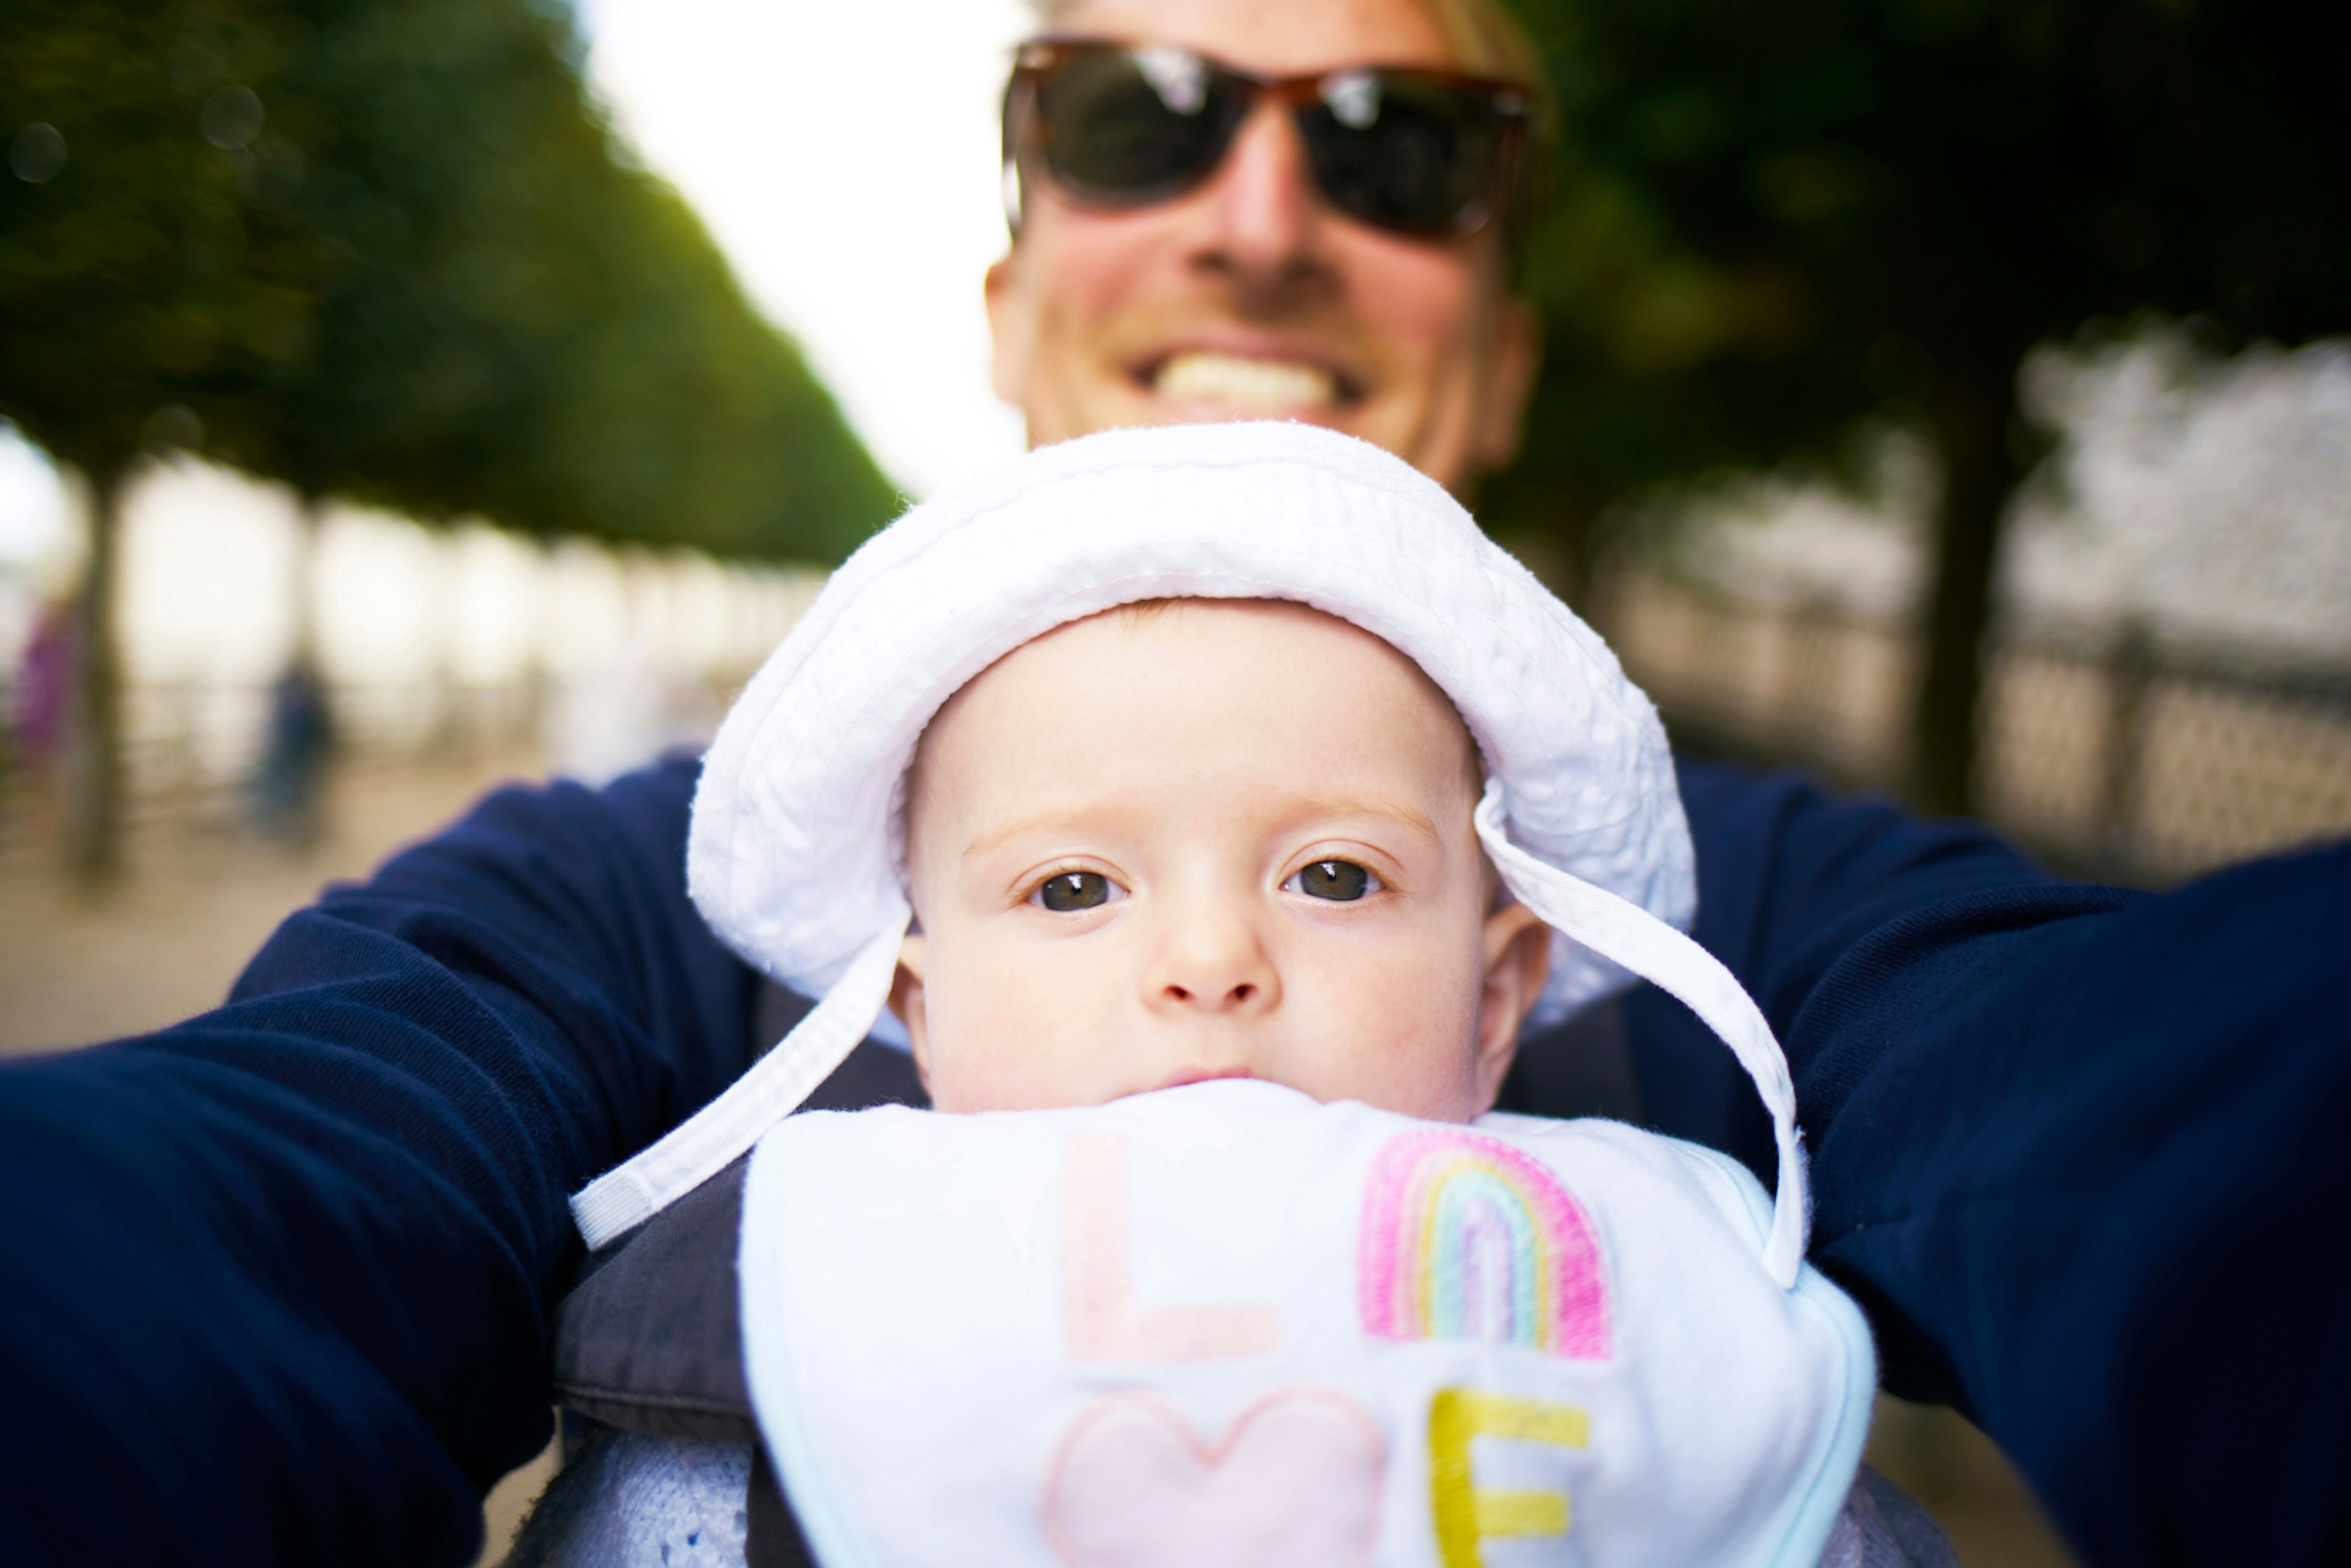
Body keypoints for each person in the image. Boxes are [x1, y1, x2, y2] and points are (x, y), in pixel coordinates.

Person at [0, 0, 2342, 1564]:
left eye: (1398, 146)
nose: (1260, 212)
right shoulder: (614, 912)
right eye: (1138, 113)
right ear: (1005, 305)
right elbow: (276, 1187)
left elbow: (2139, 1115)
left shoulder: (1764, 921)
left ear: (1506, 354)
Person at [514, 421, 1949, 1568]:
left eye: (1334, 877)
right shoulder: (795, 1347)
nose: (1210, 960)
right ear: (923, 1017)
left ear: (1496, 997)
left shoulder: (1655, 1329)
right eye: (1073, 889)